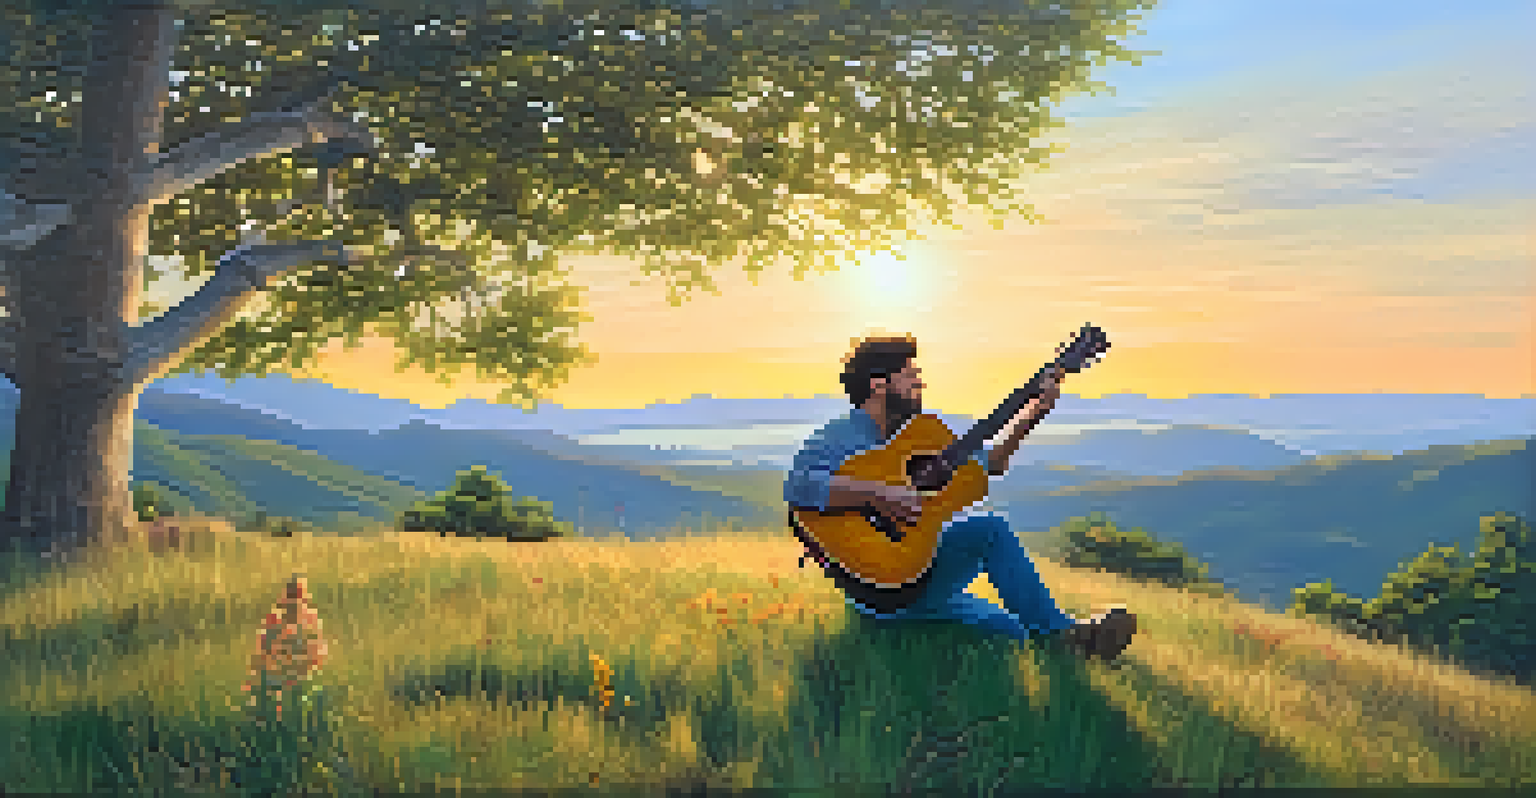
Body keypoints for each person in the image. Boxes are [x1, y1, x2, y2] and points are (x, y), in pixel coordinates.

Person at [783, 334, 1137, 660]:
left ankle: (1061, 639)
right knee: (991, 530)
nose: (920, 382)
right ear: (879, 384)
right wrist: (877, 493)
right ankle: (1066, 636)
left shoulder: (923, 435)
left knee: (1013, 631)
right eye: (910, 375)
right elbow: (797, 486)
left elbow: (989, 465)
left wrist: (1033, 415)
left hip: (918, 569)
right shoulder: (842, 435)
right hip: (873, 586)